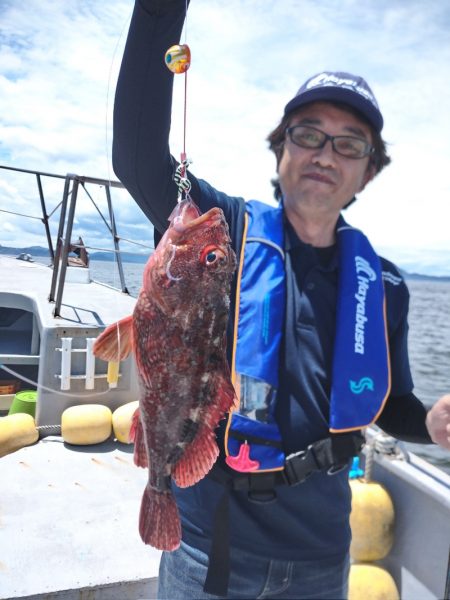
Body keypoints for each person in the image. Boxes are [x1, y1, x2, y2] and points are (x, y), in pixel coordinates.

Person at [113, 2, 450, 598]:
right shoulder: (225, 233)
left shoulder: (385, 286)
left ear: (369, 170)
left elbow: (390, 402)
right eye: (309, 135)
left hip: (323, 557)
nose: (326, 154)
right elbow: (136, 154)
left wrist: (428, 421)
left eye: (350, 145)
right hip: (209, 550)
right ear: (282, 149)